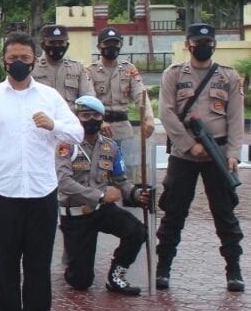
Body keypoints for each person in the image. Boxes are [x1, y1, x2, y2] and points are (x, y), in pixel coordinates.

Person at [0, 32, 83, 311]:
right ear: (5, 59)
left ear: (35, 60)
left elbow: (78, 133)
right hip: (3, 192)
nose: (19, 63)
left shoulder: (49, 97)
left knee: (38, 261)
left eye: (25, 58)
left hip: (41, 191)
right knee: (4, 261)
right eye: (13, 58)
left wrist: (53, 126)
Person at [156, 23, 245, 292]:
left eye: (207, 42)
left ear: (214, 44)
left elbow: (236, 118)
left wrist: (232, 154)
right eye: (197, 42)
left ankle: (234, 269)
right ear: (188, 44)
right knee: (174, 211)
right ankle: (163, 268)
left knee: (225, 213)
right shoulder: (173, 74)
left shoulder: (228, 77)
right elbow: (167, 113)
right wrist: (187, 144)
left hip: (217, 153)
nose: (202, 46)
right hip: (184, 154)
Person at [56, 96, 148, 296]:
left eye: (95, 115)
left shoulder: (110, 146)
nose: (91, 120)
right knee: (81, 282)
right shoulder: (66, 145)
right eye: (85, 115)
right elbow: (64, 182)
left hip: (102, 210)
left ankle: (116, 276)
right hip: (77, 214)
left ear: (102, 117)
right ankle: (73, 267)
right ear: (77, 118)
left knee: (137, 231)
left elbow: (120, 180)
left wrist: (136, 193)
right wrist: (99, 195)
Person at [86, 27, 155, 173]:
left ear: (120, 45)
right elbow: (89, 98)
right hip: (100, 130)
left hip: (124, 130)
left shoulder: (129, 69)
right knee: (99, 172)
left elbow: (141, 94)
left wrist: (148, 118)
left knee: (127, 172)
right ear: (99, 47)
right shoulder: (90, 71)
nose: (112, 47)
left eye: (115, 44)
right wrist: (99, 121)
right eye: (107, 44)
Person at [32, 25, 94, 109]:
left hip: (71, 118)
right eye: (52, 43)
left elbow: (89, 99)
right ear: (43, 44)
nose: (57, 46)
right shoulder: (32, 69)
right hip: (41, 118)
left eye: (61, 43)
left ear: (67, 44)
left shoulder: (78, 69)